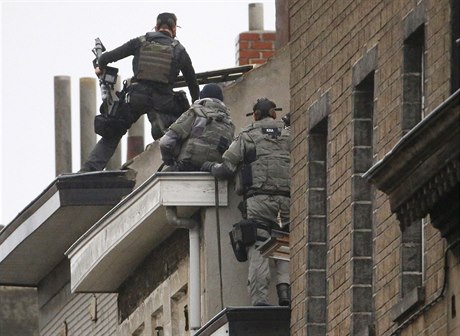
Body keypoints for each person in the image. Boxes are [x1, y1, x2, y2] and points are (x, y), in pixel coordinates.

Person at [79, 12, 199, 172]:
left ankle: (89, 171)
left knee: (113, 133)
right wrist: (194, 107)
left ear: (156, 27)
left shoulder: (140, 42)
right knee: (176, 131)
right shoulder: (180, 51)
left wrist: (100, 65)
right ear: (174, 29)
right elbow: (193, 83)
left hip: (136, 97)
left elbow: (108, 58)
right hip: (163, 102)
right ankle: (180, 164)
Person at [201, 98, 291, 306]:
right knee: (284, 242)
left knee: (259, 246)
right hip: (287, 201)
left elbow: (225, 169)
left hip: (258, 201)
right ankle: (285, 293)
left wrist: (208, 166)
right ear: (274, 113)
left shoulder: (247, 136)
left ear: (256, 115)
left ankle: (260, 300)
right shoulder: (290, 135)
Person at [159, 83, 235, 171]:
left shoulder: (195, 112)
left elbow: (165, 142)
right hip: (214, 173)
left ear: (202, 97)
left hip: (186, 167)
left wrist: (168, 159)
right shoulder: (229, 124)